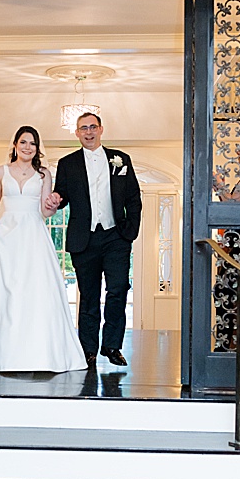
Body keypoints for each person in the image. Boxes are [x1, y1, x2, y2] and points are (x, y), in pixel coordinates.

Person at [0, 126, 87, 373]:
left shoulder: (43, 174)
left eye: (32, 143)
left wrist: (52, 205)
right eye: (23, 142)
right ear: (15, 145)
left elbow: (45, 210)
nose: (28, 147)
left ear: (37, 148)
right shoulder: (1, 172)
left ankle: (35, 351)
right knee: (1, 289)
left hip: (33, 234)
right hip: (6, 232)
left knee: (33, 289)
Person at [45, 112, 142, 367]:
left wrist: (129, 231)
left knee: (118, 289)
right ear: (76, 133)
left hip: (115, 237)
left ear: (101, 129)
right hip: (83, 239)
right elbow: (63, 195)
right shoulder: (67, 164)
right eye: (83, 128)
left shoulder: (121, 160)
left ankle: (111, 346)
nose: (88, 132)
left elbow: (133, 197)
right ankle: (88, 349)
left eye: (92, 127)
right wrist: (55, 198)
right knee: (88, 296)